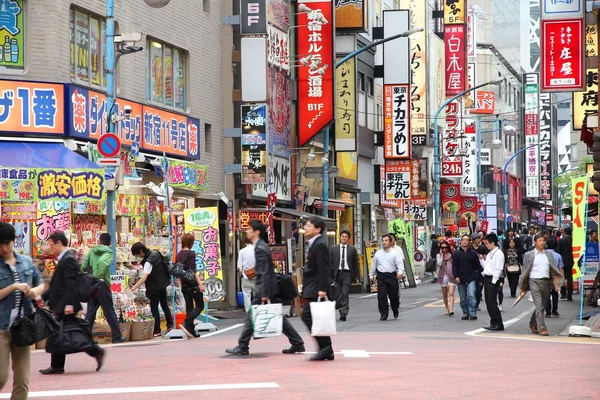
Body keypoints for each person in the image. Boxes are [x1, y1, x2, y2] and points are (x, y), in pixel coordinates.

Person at [226, 220, 304, 356]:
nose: (247, 231)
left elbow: (263, 272)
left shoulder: (260, 248)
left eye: (249, 229)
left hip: (265, 289)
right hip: (268, 288)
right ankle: (297, 342)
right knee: (277, 317)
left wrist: (264, 293)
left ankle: (243, 345)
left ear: (257, 232)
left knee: (251, 316)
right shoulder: (261, 246)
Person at [40, 231, 105, 375]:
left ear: (59, 243)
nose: (50, 248)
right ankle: (57, 365)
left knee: (71, 332)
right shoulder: (65, 258)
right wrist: (42, 298)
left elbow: (70, 284)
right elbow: (58, 284)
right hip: (62, 302)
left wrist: (69, 304)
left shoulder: (68, 259)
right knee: (62, 331)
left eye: (51, 245)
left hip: (66, 303)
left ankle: (96, 351)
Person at [0, 222, 45, 399]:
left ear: (13, 241)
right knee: (1, 377)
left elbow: (40, 282)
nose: (4, 248)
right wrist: (13, 287)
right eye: (0, 244)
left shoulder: (26, 261)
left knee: (22, 380)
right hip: (1, 328)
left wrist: (36, 291)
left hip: (23, 326)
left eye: (7, 243)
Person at [299, 216, 333, 361]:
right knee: (313, 317)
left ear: (317, 229)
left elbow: (324, 268)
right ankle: (326, 348)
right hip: (312, 287)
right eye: (305, 226)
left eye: (308, 226)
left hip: (316, 288)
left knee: (308, 316)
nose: (305, 228)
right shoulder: (314, 243)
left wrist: (322, 288)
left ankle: (325, 347)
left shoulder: (319, 244)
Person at [82, 233, 124, 344]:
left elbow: (83, 265)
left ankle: (86, 338)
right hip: (102, 284)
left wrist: (89, 277)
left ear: (99, 241)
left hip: (92, 285)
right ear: (109, 242)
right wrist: (98, 276)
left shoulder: (91, 251)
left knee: (90, 312)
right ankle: (117, 337)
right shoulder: (108, 251)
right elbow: (102, 262)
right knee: (109, 311)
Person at [520, 234, 564, 336]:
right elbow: (524, 270)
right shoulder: (529, 255)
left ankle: (533, 322)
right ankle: (542, 328)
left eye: (543, 241)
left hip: (546, 282)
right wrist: (522, 286)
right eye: (539, 241)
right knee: (539, 305)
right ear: (535, 242)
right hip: (534, 281)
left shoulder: (549, 254)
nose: (542, 243)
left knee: (542, 306)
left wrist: (556, 283)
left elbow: (553, 270)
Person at [128, 243, 173, 338]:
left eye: (137, 255)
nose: (137, 257)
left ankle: (157, 330)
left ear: (141, 251)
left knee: (154, 308)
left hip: (154, 287)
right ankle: (170, 326)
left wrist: (133, 287)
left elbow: (144, 278)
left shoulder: (148, 261)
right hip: (163, 284)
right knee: (165, 305)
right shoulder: (156, 253)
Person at [369, 234, 405, 321]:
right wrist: (371, 275)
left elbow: (400, 265)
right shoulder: (377, 254)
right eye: (383, 241)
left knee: (393, 296)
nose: (384, 242)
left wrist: (400, 273)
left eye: (386, 241)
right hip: (381, 276)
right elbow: (374, 266)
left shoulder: (395, 253)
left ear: (390, 242)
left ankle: (395, 309)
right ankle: (383, 313)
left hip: (392, 276)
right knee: (382, 296)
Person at [176, 233, 204, 338]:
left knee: (189, 308)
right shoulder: (191, 254)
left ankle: (191, 331)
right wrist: (200, 284)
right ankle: (187, 322)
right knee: (200, 305)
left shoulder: (178, 254)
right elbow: (194, 271)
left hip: (183, 285)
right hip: (192, 284)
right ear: (191, 243)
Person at [329, 230, 359, 321]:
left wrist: (356, 277)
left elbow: (355, 264)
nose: (344, 238)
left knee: (345, 293)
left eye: (346, 237)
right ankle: (341, 310)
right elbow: (330, 263)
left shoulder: (352, 249)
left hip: (347, 273)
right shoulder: (333, 249)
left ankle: (344, 312)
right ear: (340, 237)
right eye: (342, 236)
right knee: (338, 293)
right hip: (337, 274)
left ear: (348, 238)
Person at [452, 235, 482, 321]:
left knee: (471, 295)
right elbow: (454, 266)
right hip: (460, 278)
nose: (465, 241)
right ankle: (465, 312)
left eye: (467, 240)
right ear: (461, 241)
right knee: (463, 297)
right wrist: (456, 276)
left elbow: (478, 266)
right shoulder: (457, 253)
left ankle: (472, 312)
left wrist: (480, 277)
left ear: (469, 242)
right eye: (463, 240)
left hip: (471, 277)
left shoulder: (473, 253)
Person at [480, 233, 505, 331]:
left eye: (487, 243)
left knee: (492, 302)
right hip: (487, 278)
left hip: (493, 279)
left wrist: (494, 281)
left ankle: (498, 323)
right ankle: (493, 322)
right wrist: (482, 260)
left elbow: (498, 269)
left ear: (493, 243)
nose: (486, 245)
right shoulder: (490, 253)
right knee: (489, 302)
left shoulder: (498, 253)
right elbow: (487, 266)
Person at [545, 238, 564, 318]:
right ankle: (555, 310)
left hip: (545, 276)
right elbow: (561, 268)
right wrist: (563, 278)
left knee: (546, 294)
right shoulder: (558, 256)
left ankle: (548, 311)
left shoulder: (543, 255)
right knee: (555, 293)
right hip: (555, 276)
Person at [436, 241, 455, 316]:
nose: (444, 249)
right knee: (444, 294)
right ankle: (447, 308)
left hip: (451, 276)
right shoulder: (439, 255)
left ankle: (451, 309)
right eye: (442, 248)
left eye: (446, 247)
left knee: (451, 293)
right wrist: (441, 255)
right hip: (443, 276)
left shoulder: (452, 255)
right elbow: (439, 263)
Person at [237, 236, 256, 312]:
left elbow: (239, 266)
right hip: (256, 275)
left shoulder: (242, 251)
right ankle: (257, 311)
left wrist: (240, 273)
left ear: (245, 242)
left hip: (246, 276)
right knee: (257, 295)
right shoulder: (257, 250)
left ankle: (248, 312)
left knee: (246, 295)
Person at [471, 234, 487, 312]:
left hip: (481, 270)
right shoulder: (470, 248)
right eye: (477, 239)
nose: (479, 240)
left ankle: (476, 304)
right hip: (471, 269)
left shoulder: (482, 248)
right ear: (473, 240)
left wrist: (483, 256)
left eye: (479, 238)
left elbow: (486, 257)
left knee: (479, 289)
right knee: (472, 289)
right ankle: (472, 304)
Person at [558, 227, 574, 301]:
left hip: (562, 261)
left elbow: (559, 252)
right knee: (570, 278)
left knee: (563, 277)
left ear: (564, 233)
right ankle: (569, 296)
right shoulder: (574, 241)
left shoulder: (561, 241)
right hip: (571, 261)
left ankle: (563, 293)